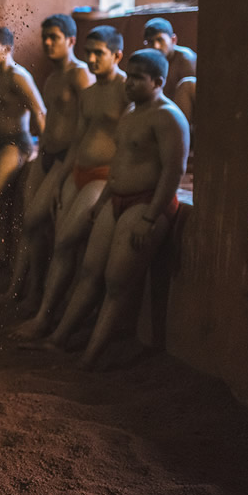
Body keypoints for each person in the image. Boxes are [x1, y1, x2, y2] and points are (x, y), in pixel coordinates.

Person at [37, 49, 189, 369]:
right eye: (129, 76)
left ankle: (90, 358)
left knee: (117, 282)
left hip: (147, 204)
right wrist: (105, 199)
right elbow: (119, 163)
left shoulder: (169, 117)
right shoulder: (132, 112)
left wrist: (149, 218)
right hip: (115, 199)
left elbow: (173, 172)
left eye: (137, 78)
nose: (129, 83)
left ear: (158, 82)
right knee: (90, 271)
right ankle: (58, 339)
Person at [12, 25, 129, 341]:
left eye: (99, 54)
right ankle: (46, 314)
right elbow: (78, 140)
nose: (92, 59)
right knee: (62, 246)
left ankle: (47, 320)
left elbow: (131, 143)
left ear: (117, 55)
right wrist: (59, 181)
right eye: (89, 53)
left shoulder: (127, 91)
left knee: (64, 241)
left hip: (103, 177)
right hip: (75, 172)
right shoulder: (89, 94)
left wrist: (118, 182)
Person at [0, 14, 94, 307]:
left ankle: (41, 300)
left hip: (67, 160)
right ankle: (21, 292)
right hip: (46, 155)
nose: (48, 43)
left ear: (71, 41)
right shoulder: (51, 78)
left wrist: (71, 168)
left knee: (38, 221)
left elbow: (89, 123)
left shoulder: (80, 74)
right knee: (29, 225)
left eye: (55, 38)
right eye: (45, 37)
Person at [0, 26, 45, 273]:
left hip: (17, 143)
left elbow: (39, 111)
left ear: (7, 49)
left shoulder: (18, 76)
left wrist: (45, 151)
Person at [142, 17, 196, 101]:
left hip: (181, 112)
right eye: (150, 42)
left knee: (186, 85)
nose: (156, 46)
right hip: (162, 110)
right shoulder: (148, 62)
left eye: (160, 40)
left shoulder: (186, 59)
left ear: (173, 40)